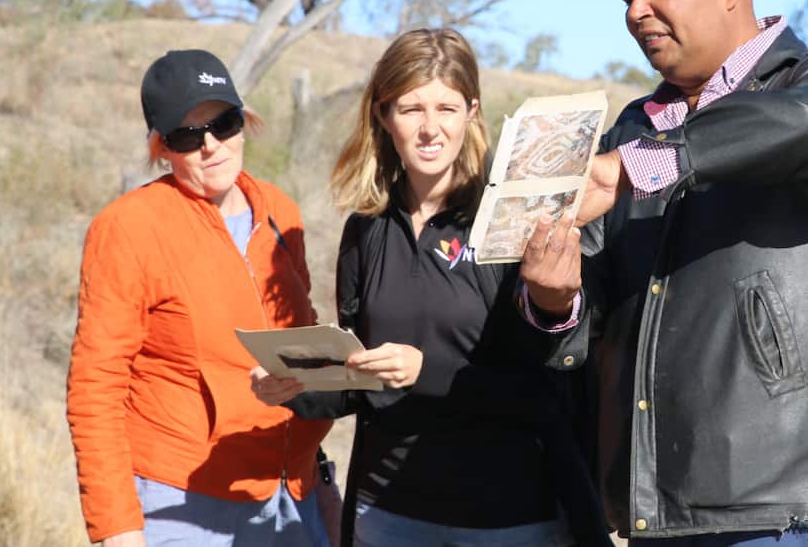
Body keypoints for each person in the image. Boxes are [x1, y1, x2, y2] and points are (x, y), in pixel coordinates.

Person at [519, 0, 808, 546]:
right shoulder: (633, 128)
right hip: (657, 519)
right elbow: (580, 319)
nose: (635, 12)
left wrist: (647, 164)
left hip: (793, 517)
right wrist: (551, 297)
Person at [251, 28, 608, 547]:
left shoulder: (509, 220)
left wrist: (425, 372)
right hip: (387, 514)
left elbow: (544, 391)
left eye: (446, 108)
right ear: (382, 115)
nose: (430, 129)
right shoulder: (366, 230)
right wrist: (298, 388)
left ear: (472, 112)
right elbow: (363, 376)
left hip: (504, 518)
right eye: (411, 109)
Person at [66, 48, 333, 546]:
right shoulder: (128, 227)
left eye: (224, 123)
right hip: (182, 502)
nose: (211, 146)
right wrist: (116, 527)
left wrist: (319, 477)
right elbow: (95, 386)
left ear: (243, 121)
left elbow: (300, 348)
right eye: (188, 135)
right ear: (161, 147)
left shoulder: (280, 212)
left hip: (292, 499)